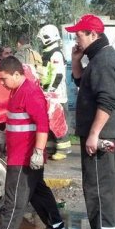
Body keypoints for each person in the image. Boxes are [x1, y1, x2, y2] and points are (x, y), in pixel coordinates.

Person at [0, 56, 71, 229]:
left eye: (3, 79)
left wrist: (38, 152)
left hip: (24, 157)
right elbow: (14, 119)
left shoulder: (30, 93)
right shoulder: (16, 91)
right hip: (20, 154)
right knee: (39, 195)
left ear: (16, 74)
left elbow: (43, 124)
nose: (1, 83)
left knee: (14, 199)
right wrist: (5, 138)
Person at [67, 14, 115, 229]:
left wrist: (93, 134)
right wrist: (76, 60)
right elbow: (83, 83)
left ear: (93, 34)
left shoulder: (103, 60)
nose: (75, 37)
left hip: (101, 135)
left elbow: (107, 101)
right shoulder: (98, 57)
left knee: (97, 187)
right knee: (107, 185)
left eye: (79, 34)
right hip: (106, 133)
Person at [37, 24, 71, 161]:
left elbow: (58, 75)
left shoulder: (55, 53)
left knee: (59, 123)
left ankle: (63, 149)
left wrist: (50, 90)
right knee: (50, 123)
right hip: (49, 94)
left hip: (57, 96)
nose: (40, 42)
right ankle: (51, 147)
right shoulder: (48, 53)